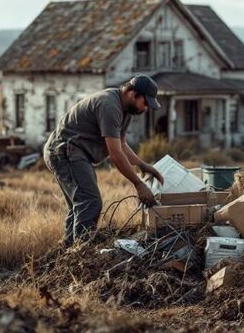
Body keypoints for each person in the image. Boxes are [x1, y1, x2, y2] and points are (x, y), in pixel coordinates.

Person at [43, 75, 165, 247]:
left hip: (76, 154)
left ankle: (68, 250)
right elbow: (115, 154)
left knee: (81, 205)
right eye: (145, 103)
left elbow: (121, 144)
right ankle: (81, 253)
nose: (145, 108)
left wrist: (142, 165)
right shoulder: (109, 106)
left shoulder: (126, 110)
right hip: (64, 152)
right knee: (90, 202)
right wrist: (139, 184)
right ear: (133, 94)